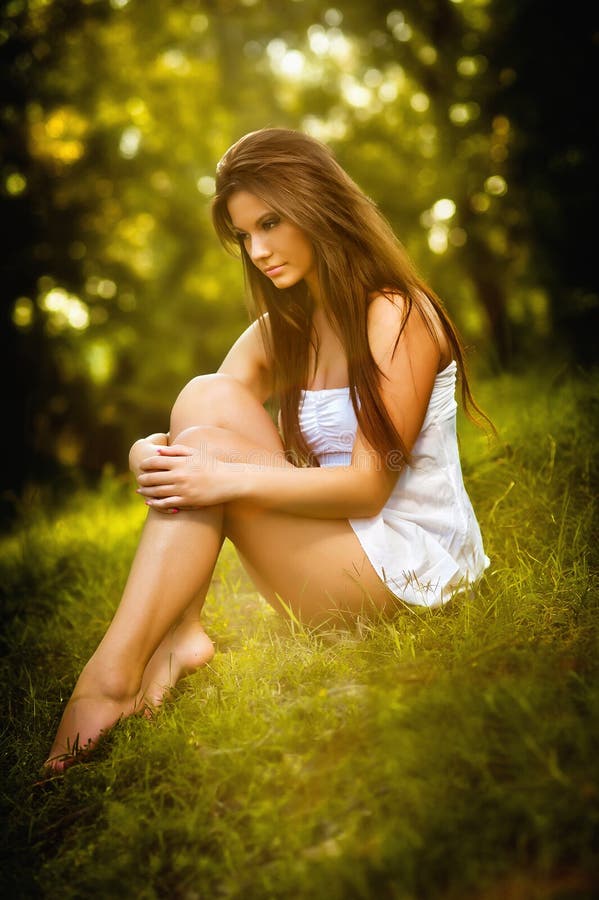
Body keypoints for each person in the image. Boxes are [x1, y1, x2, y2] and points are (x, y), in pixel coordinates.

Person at [44, 127, 490, 772]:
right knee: (205, 396)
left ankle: (107, 681)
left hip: (405, 565)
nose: (257, 251)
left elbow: (370, 486)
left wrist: (221, 480)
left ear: (317, 205)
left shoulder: (395, 312)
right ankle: (182, 635)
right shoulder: (286, 331)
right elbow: (199, 426)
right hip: (330, 544)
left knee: (208, 454)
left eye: (270, 223)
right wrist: (149, 451)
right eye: (244, 236)